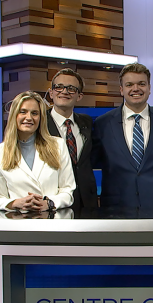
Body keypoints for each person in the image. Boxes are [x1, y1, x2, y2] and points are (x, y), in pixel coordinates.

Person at [92, 63, 153, 209]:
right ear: (121, 90)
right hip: (116, 209)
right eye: (129, 84)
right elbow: (90, 163)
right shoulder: (103, 123)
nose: (135, 89)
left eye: (141, 84)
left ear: (149, 88)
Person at [0, 91, 75, 212]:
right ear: (14, 115)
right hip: (17, 224)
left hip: (51, 222)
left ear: (41, 118)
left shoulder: (58, 145)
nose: (29, 118)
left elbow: (68, 191)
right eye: (23, 112)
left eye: (35, 113)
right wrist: (15, 203)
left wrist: (48, 203)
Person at [46, 68, 98, 209]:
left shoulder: (86, 122)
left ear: (79, 96)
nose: (64, 91)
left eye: (71, 88)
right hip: (55, 201)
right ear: (51, 93)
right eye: (59, 87)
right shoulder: (40, 124)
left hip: (87, 201)